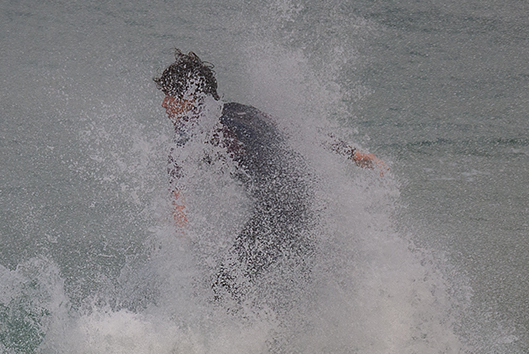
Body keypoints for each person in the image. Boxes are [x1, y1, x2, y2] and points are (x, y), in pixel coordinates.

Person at [155, 50, 385, 301]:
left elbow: (179, 199)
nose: (164, 104)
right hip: (310, 201)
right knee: (305, 286)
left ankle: (236, 337)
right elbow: (299, 129)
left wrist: (179, 245)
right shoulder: (237, 111)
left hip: (283, 210)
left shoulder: (192, 138)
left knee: (224, 288)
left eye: (168, 95)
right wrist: (355, 154)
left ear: (188, 97)